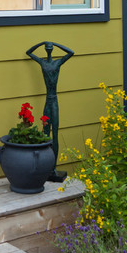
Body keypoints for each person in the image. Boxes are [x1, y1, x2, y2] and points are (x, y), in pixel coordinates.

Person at [25, 41, 74, 182]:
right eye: (47, 48)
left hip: (54, 101)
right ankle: (46, 167)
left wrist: (56, 44)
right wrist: (41, 43)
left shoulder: (57, 63)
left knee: (56, 134)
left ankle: (53, 167)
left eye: (49, 47)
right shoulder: (42, 63)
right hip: (47, 100)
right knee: (46, 133)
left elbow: (71, 52)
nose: (48, 49)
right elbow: (29, 52)